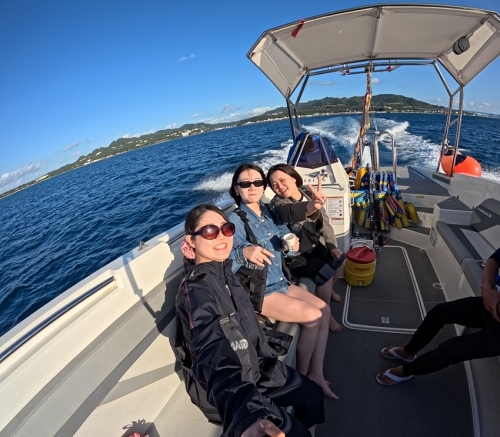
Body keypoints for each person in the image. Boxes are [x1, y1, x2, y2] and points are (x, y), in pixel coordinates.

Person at [176, 204, 324, 436]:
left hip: (259, 366)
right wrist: (247, 415)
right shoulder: (196, 291)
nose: (221, 237)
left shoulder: (225, 272)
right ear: (191, 240)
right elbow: (211, 351)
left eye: (226, 229)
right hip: (236, 389)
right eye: (209, 231)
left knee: (313, 396)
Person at [228, 163, 338, 400]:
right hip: (260, 292)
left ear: (263, 187)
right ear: (236, 189)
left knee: (325, 310)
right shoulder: (235, 221)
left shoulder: (269, 212)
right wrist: (243, 253)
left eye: (257, 182)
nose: (252, 187)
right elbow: (224, 259)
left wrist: (290, 248)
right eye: (245, 184)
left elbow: (287, 239)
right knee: (313, 316)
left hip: (280, 282)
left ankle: (317, 373)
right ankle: (303, 378)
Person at [376, 247, 500, 386]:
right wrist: (487, 287)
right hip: (491, 303)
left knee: (450, 351)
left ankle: (405, 371)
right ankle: (408, 352)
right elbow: (495, 259)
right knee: (439, 312)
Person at [267, 163, 346, 333]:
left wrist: (332, 245)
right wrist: (310, 207)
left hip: (316, 245)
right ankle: (329, 315)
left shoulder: (308, 192)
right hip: (297, 254)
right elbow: (290, 211)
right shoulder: (278, 204)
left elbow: (325, 222)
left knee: (340, 259)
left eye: (282, 180)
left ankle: (330, 290)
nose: (279, 187)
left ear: (294, 178)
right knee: (325, 275)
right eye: (274, 185)